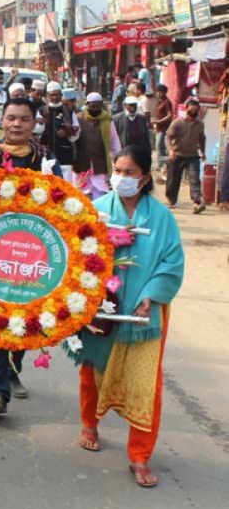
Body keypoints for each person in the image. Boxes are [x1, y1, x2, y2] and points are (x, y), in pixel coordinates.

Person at [67, 145, 184, 489]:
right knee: (92, 371)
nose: (121, 177)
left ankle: (140, 455)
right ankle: (90, 424)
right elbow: (79, 254)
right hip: (101, 307)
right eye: (117, 171)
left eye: (129, 172)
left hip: (145, 315)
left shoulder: (162, 218)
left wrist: (151, 296)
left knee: (147, 386)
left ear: (145, 177)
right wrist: (107, 243)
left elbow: (172, 263)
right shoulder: (97, 210)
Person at [0, 98, 62, 414]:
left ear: (34, 123)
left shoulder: (46, 157)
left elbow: (61, 198)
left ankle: (12, 371)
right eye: (11, 118)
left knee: (23, 314)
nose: (17, 124)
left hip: (33, 250)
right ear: (2, 120)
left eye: (24, 119)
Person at [75, 92, 122, 198]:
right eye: (92, 106)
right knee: (81, 191)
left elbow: (114, 141)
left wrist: (119, 160)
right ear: (87, 105)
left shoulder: (107, 120)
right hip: (82, 161)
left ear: (101, 105)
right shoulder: (79, 118)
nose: (95, 109)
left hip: (100, 161)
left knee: (99, 191)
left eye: (98, 106)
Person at [165, 97, 207, 213]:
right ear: (186, 109)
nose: (193, 112)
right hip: (177, 155)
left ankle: (197, 203)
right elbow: (168, 137)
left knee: (194, 179)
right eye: (191, 110)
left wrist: (203, 152)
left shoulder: (200, 124)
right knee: (173, 180)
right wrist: (171, 150)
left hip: (192, 156)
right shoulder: (177, 122)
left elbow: (202, 139)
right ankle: (171, 200)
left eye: (196, 110)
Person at [41, 82, 81, 181]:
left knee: (65, 183)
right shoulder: (42, 111)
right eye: (52, 95)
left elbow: (77, 130)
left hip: (64, 154)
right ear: (47, 95)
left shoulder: (68, 111)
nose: (55, 97)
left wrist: (67, 132)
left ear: (61, 95)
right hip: (46, 153)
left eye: (57, 94)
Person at [153, 84, 173, 181]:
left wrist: (159, 121)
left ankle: (163, 165)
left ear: (164, 92)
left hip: (165, 128)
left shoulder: (167, 102)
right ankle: (162, 165)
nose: (158, 93)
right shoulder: (158, 102)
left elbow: (170, 115)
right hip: (158, 127)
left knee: (160, 146)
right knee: (159, 146)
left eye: (159, 92)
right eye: (157, 92)